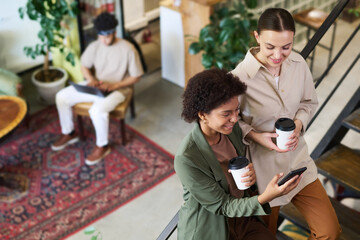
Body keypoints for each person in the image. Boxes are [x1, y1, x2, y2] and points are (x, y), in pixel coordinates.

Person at [231, 8, 341, 239]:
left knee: (329, 232)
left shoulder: (298, 63)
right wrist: (254, 135)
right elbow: (229, 122)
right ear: (257, 37)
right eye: (270, 47)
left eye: (286, 46)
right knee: (264, 235)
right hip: (263, 175)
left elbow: (308, 102)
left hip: (298, 163)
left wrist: (299, 123)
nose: (279, 55)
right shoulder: (238, 78)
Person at [174, 68, 302, 240]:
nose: (235, 119)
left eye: (236, 110)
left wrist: (249, 180)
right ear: (203, 115)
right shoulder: (187, 158)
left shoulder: (231, 131)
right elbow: (223, 206)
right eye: (226, 114)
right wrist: (265, 197)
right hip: (212, 228)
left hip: (243, 218)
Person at [51, 12, 143, 165]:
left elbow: (136, 76)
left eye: (107, 37)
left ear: (114, 32)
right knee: (61, 96)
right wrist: (91, 79)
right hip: (96, 86)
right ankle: (69, 132)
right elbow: (84, 66)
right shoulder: (95, 45)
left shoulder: (128, 49)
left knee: (96, 110)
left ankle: (102, 145)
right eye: (101, 36)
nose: (104, 41)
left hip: (118, 90)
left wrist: (114, 85)